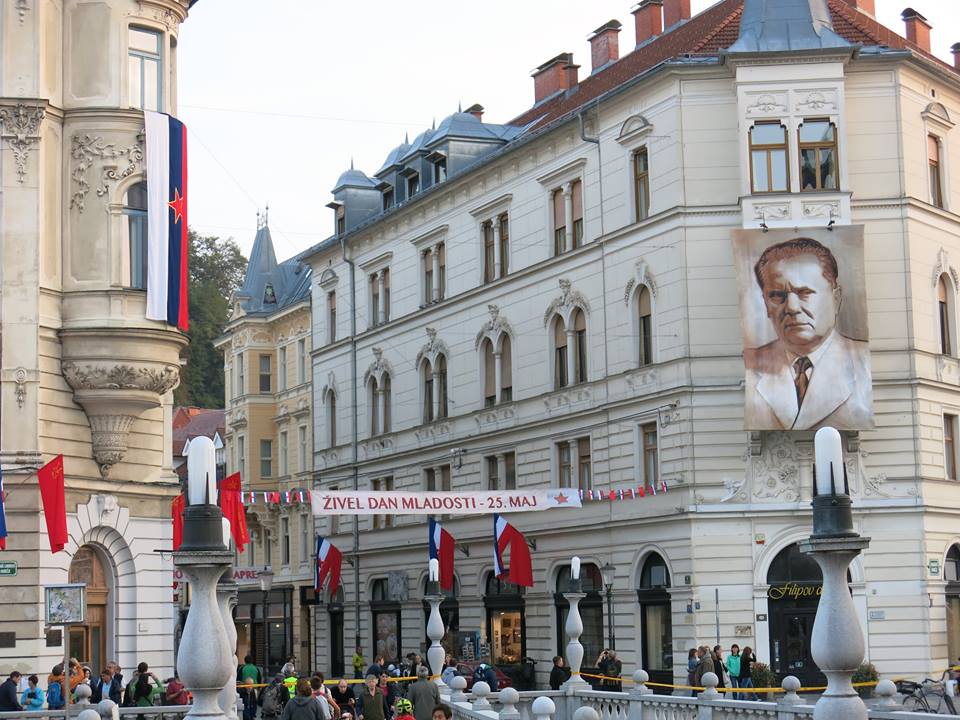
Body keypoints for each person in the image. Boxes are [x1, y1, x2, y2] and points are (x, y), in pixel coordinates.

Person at [744, 237, 872, 431]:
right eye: (777, 296)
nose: (792, 307)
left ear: (836, 299)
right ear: (766, 304)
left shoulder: (860, 363)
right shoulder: (753, 367)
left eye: (805, 292)